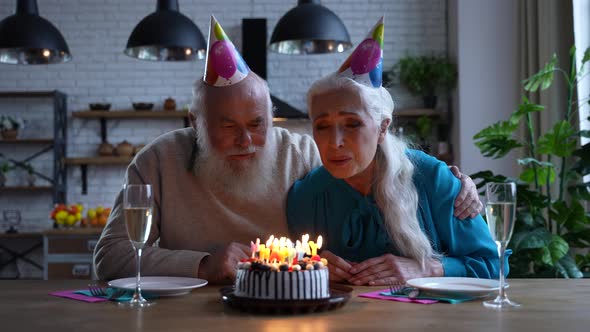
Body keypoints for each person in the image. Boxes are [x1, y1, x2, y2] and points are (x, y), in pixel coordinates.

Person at [94, 16, 482, 284]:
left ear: (273, 117)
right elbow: (109, 257)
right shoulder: (156, 162)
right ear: (195, 123)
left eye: (257, 124)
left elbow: (371, 169)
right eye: (226, 127)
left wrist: (457, 184)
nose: (245, 141)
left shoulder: (307, 158)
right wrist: (202, 265)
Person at [287, 18, 502, 286]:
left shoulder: (433, 179)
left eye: (352, 124)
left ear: (382, 128)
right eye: (322, 127)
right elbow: (287, 266)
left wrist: (429, 269)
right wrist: (309, 267)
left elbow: (493, 265)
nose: (335, 142)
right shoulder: (305, 197)